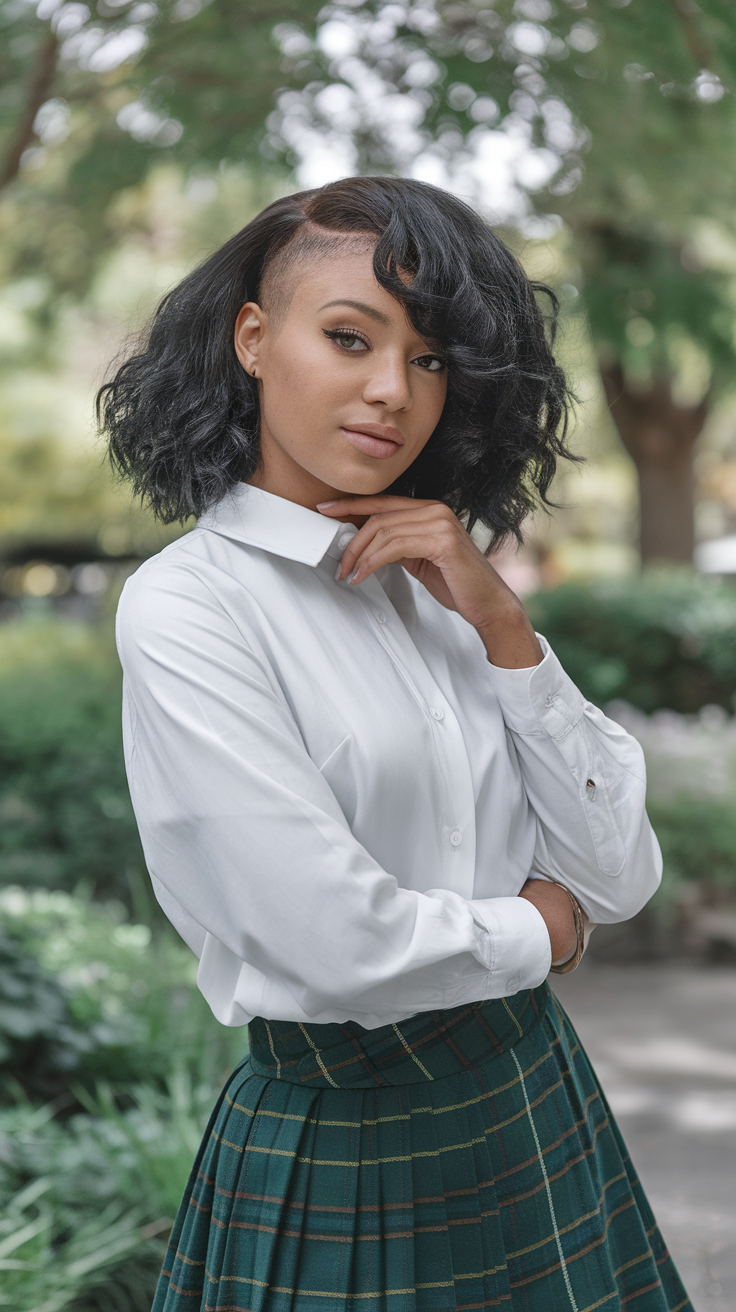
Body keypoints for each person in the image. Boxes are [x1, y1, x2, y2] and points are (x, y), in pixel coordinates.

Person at [100, 177, 692, 1311]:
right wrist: (542, 925)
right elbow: (334, 940)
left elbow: (618, 868)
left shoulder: (443, 587)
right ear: (255, 340)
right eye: (348, 337)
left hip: (532, 1095)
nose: (390, 391)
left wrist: (504, 625)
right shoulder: (190, 608)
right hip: (346, 1136)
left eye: (429, 359)